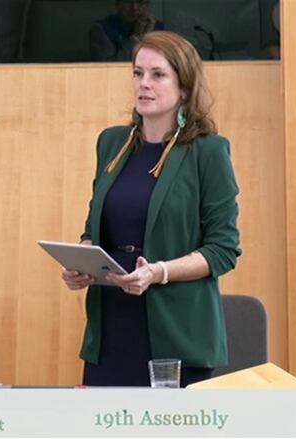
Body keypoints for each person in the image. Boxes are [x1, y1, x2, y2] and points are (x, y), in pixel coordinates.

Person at [63, 31, 241, 387]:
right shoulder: (112, 143)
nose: (143, 84)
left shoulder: (208, 152)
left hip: (177, 328)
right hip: (112, 322)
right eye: (137, 73)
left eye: (158, 75)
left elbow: (223, 250)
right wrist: (83, 261)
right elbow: (94, 229)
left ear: (184, 88)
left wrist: (157, 272)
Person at [89, 0, 164, 61]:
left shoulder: (157, 28)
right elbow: (108, 69)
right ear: (118, 4)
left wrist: (148, 36)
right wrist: (136, 37)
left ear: (147, 5)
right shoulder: (101, 29)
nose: (134, 8)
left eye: (140, 2)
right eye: (128, 2)